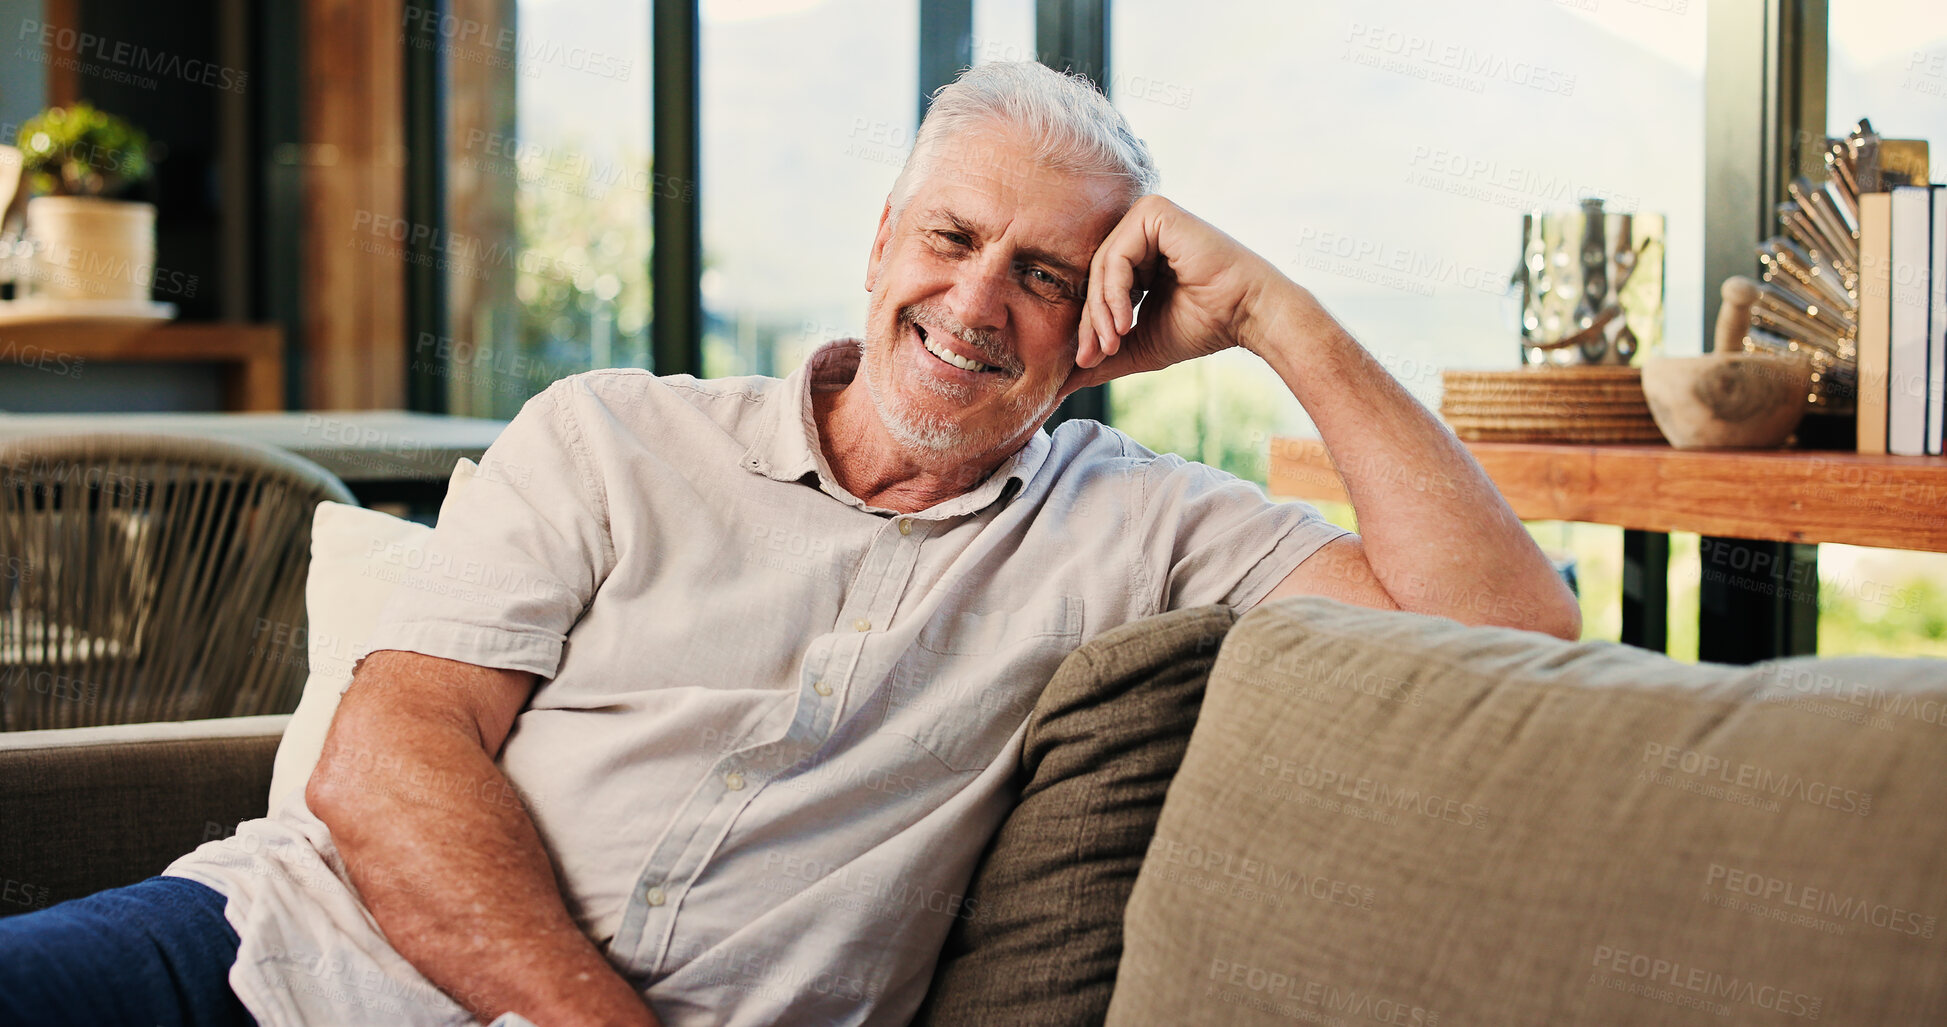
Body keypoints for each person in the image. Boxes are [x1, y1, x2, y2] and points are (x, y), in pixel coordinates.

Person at [0, 61, 1577, 1027]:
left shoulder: (1143, 523)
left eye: (1044, 274)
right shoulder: (613, 433)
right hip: (270, 961)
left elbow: (1515, 641)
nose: (977, 302)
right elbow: (387, 754)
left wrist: (1277, 317)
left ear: (1109, 322)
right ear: (881, 243)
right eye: (952, 238)